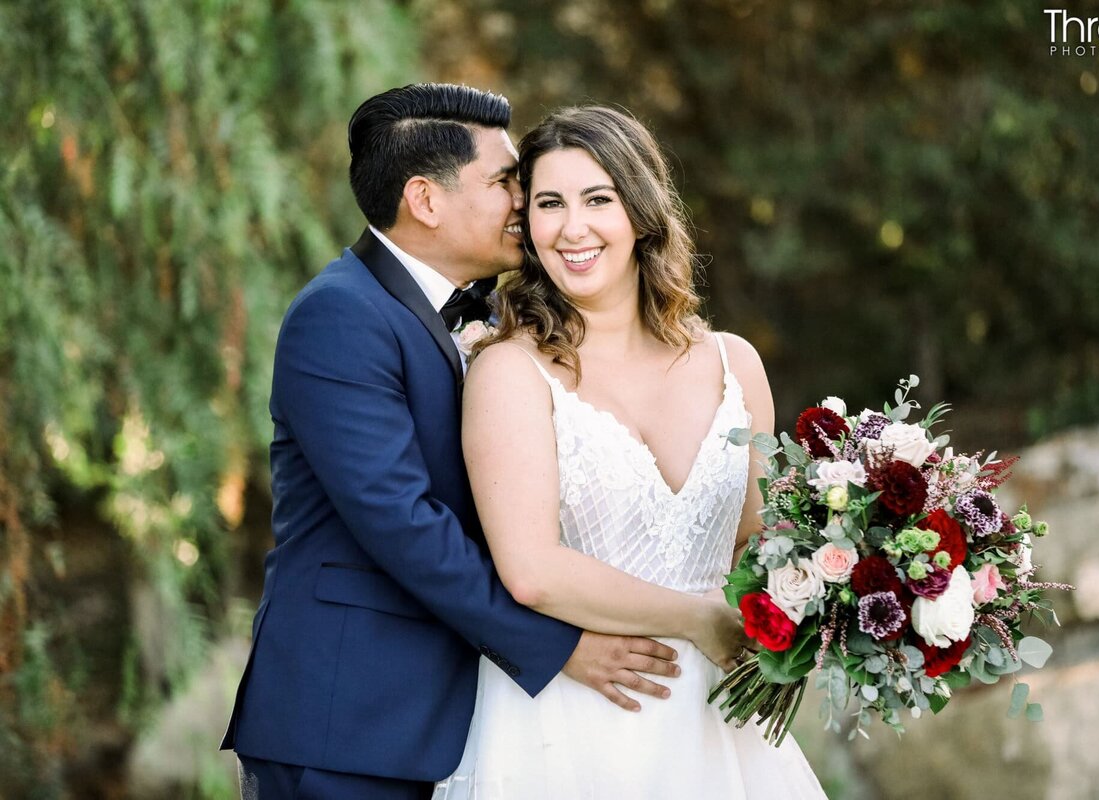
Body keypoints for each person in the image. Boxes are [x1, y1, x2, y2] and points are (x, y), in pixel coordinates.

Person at [220, 85, 700, 800]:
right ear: (426, 199)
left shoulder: (497, 323)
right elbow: (403, 523)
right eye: (506, 181)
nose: (523, 199)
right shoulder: (341, 316)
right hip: (348, 722)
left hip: (451, 717)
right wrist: (560, 645)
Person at [432, 106, 827, 798]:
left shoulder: (736, 364)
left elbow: (760, 549)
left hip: (719, 724)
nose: (571, 228)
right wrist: (701, 619)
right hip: (575, 718)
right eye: (549, 204)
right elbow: (531, 572)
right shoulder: (508, 373)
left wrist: (826, 604)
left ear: (642, 214)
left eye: (598, 199)